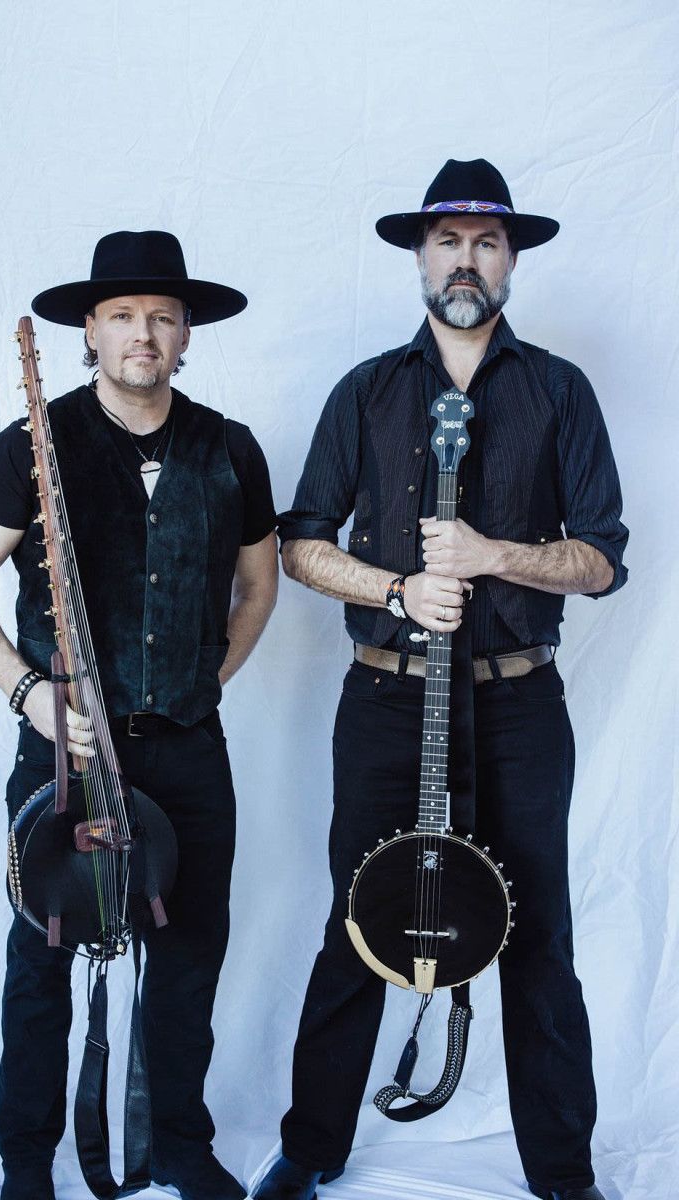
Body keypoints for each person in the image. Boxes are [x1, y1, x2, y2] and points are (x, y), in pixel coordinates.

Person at [255, 160, 626, 1200]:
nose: (467, 260)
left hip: (516, 704)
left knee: (538, 933)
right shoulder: (366, 391)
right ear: (420, 259)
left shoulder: (559, 390)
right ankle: (310, 1152)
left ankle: (562, 1175)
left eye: (486, 243)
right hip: (385, 697)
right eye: (449, 242)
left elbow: (601, 558)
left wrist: (490, 555)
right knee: (357, 921)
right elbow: (300, 543)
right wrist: (398, 587)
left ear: (510, 261)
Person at [0, 230, 278, 1200]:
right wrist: (28, 694)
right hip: (64, 754)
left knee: (188, 956)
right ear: (89, 330)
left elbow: (257, 586)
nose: (143, 334)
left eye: (162, 317)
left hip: (187, 748)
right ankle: (25, 1166)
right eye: (122, 315)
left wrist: (208, 676)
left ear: (186, 333)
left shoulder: (229, 448)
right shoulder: (30, 446)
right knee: (43, 959)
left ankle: (180, 1149)